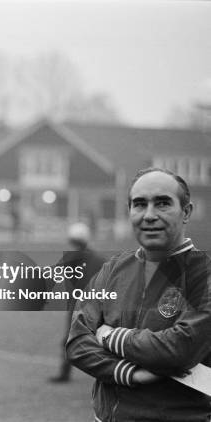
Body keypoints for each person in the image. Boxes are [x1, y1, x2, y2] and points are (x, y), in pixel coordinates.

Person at [67, 167, 211, 421]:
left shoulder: (204, 275)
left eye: (163, 204)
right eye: (140, 204)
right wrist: (129, 372)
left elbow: (179, 349)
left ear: (186, 212)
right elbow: (78, 343)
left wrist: (109, 335)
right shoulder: (113, 269)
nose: (149, 215)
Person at [49, 222, 105, 383]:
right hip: (93, 306)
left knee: (72, 340)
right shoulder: (98, 259)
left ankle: (65, 374)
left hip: (82, 307)